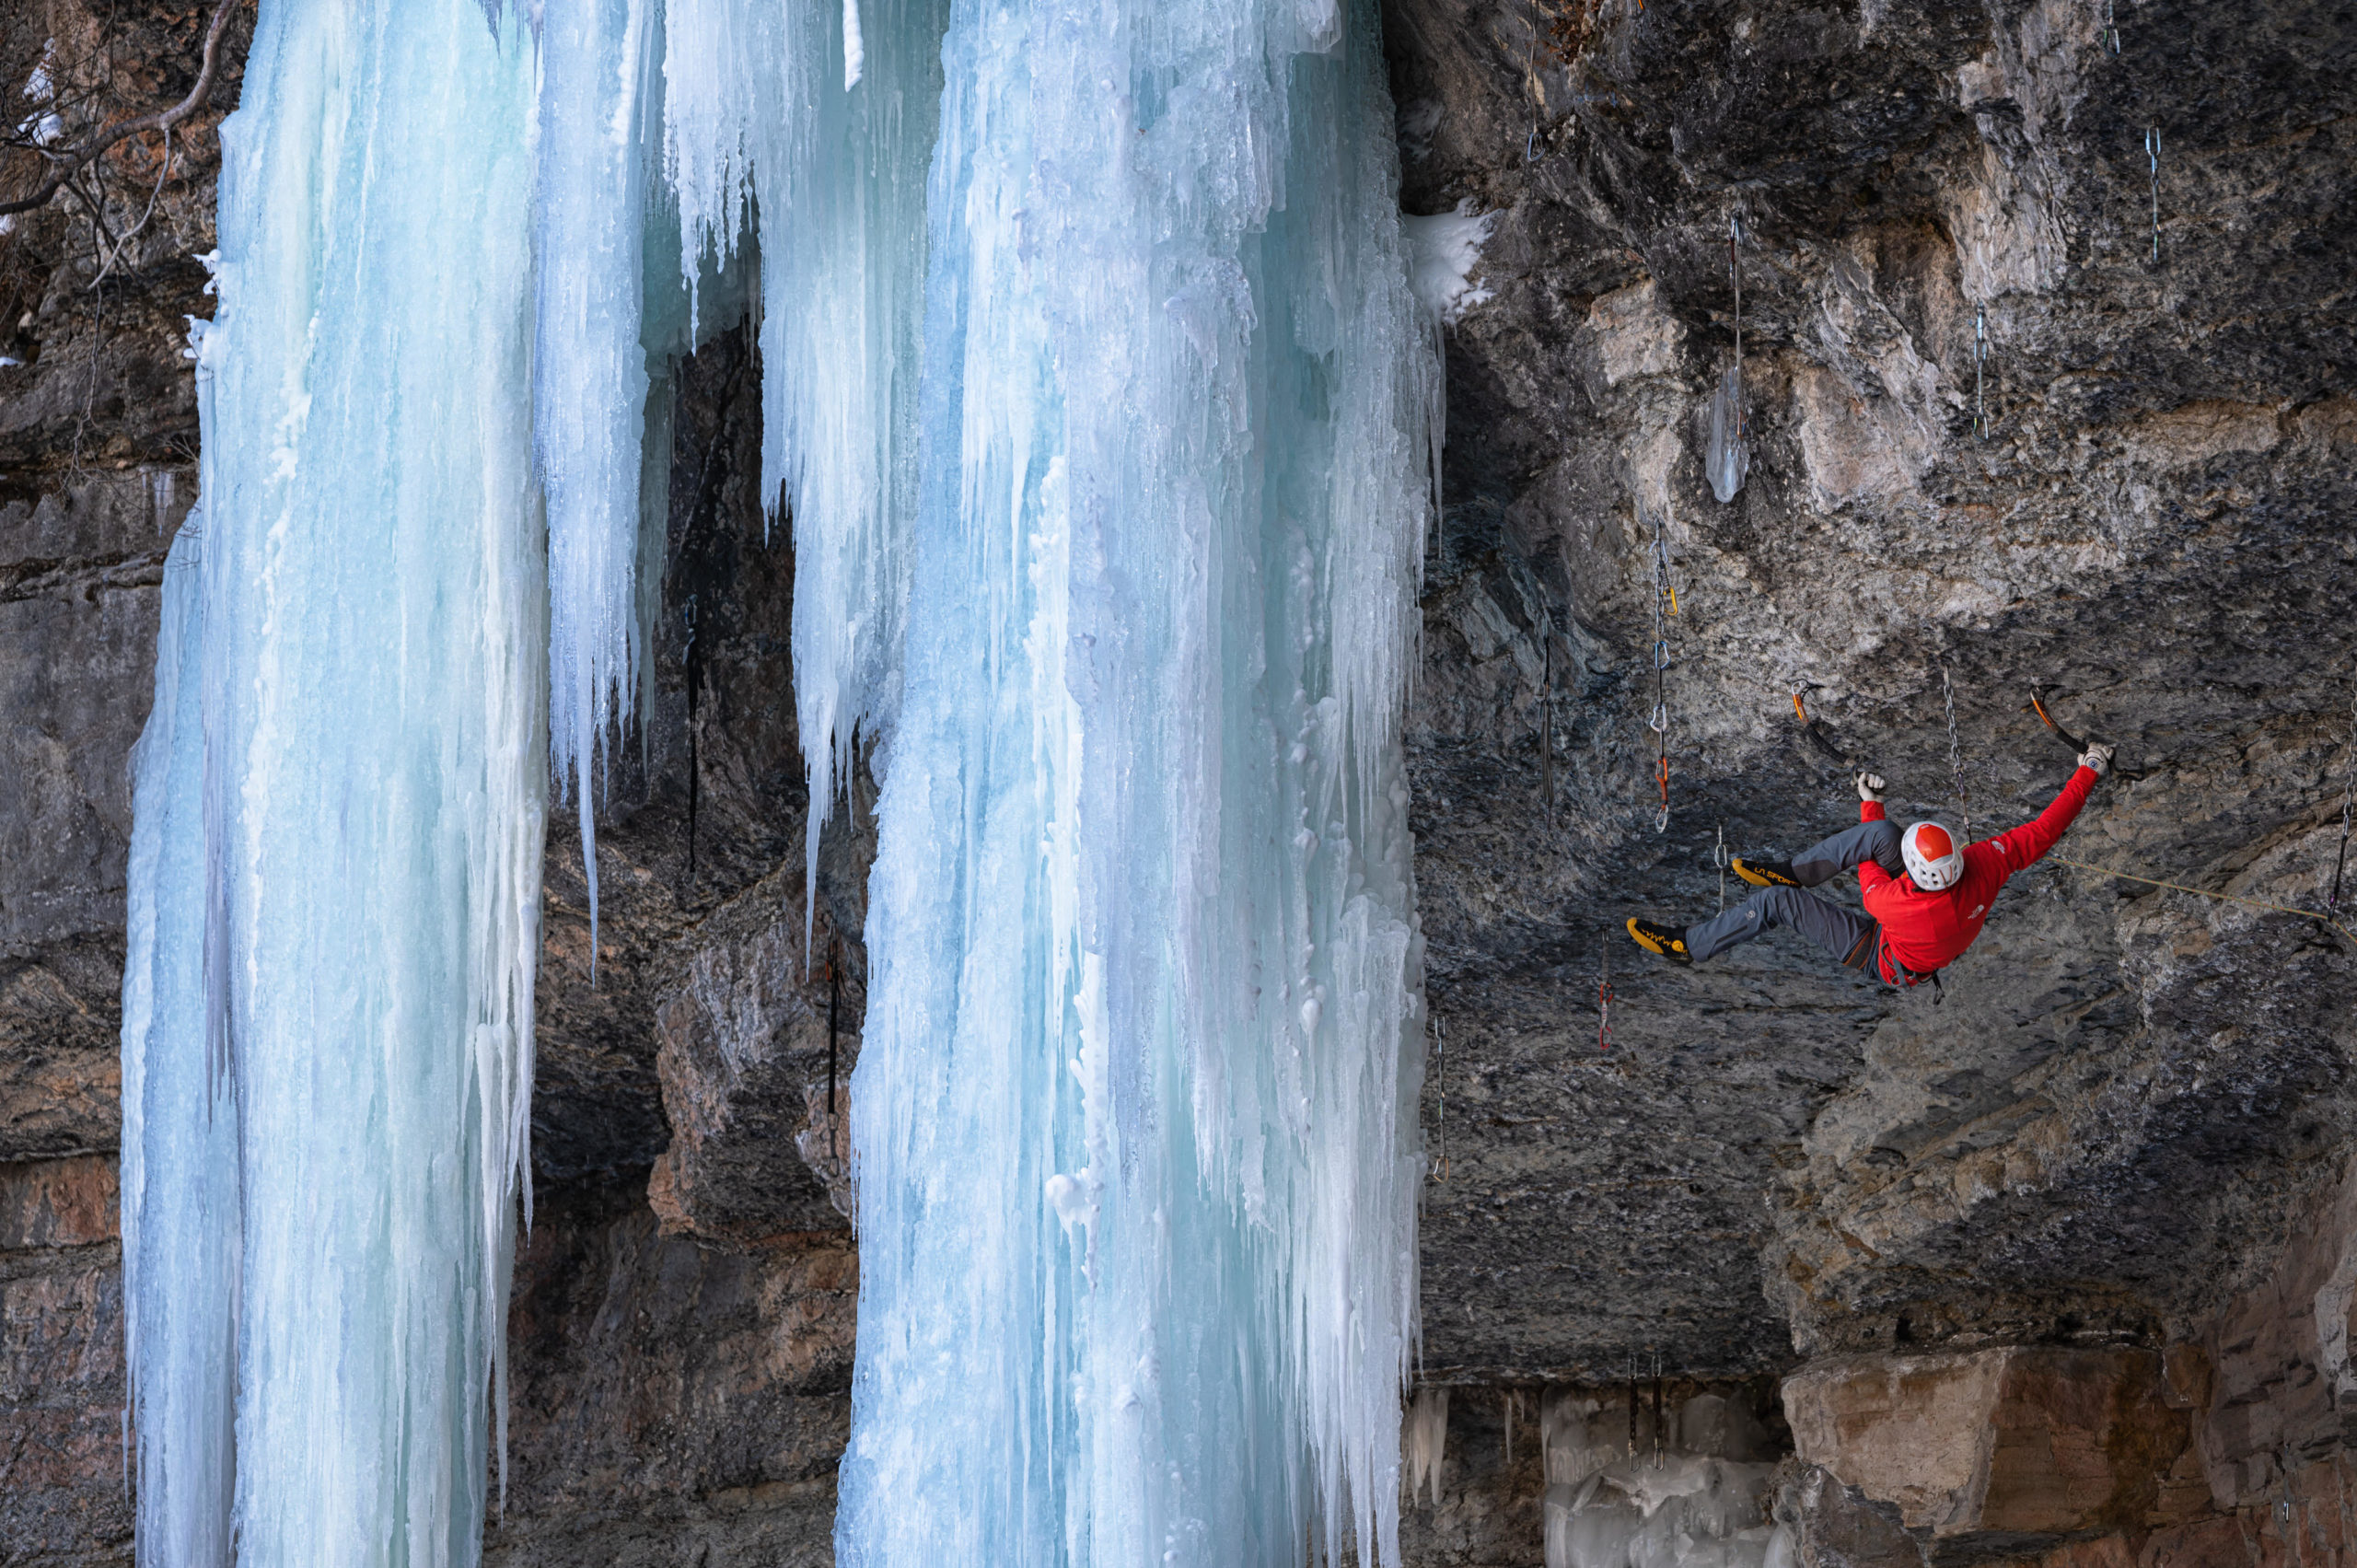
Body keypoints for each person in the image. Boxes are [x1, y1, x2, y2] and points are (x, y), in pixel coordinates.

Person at [1625, 743, 2115, 986]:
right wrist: (2088, 770)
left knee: (1778, 902)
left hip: (1883, 955)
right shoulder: (1985, 864)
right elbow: (2046, 829)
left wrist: (1870, 804)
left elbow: (1870, 876)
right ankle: (1793, 868)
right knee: (1880, 836)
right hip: (1928, 929)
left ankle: (1689, 946)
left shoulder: (1896, 903)